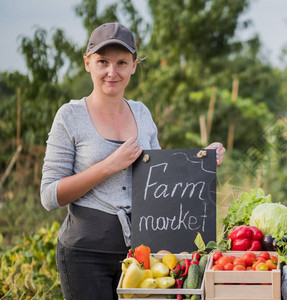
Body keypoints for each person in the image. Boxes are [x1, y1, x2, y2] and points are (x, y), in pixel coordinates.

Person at [40, 22, 226, 300]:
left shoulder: (141, 114)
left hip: (141, 254)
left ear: (134, 66)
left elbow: (159, 182)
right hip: (84, 254)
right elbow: (49, 195)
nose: (112, 72)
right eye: (102, 62)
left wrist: (202, 159)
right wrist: (109, 166)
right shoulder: (70, 117)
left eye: (121, 63)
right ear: (87, 63)